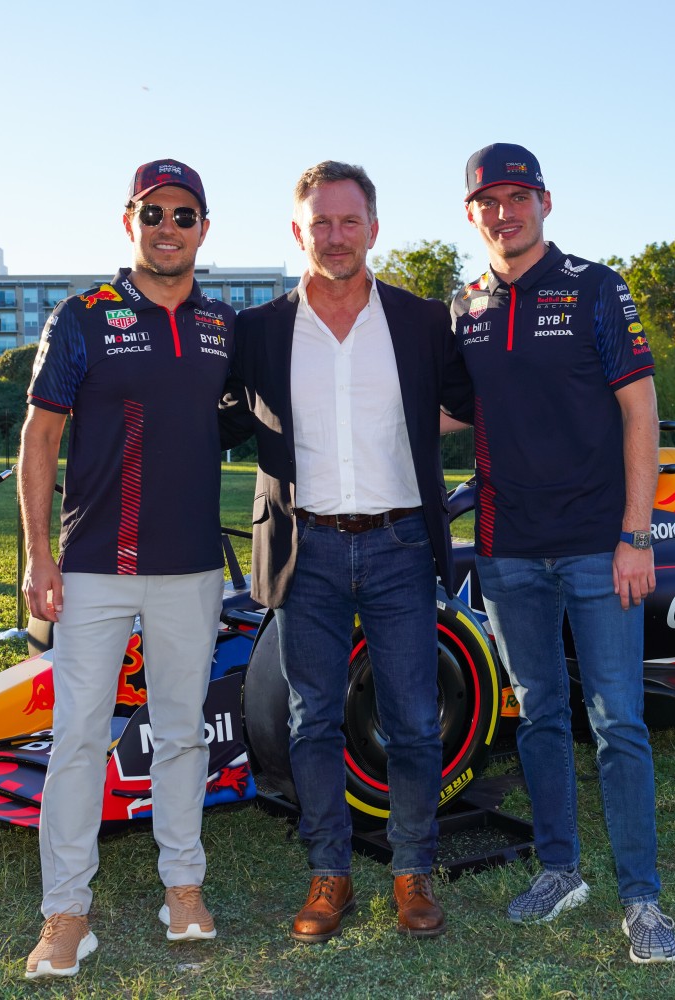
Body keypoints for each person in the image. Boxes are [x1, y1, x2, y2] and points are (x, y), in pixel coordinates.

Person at [221, 161, 472, 943]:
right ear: (298, 231)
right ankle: (329, 874)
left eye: (348, 221)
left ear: (373, 227)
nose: (334, 236)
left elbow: (470, 403)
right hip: (306, 548)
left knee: (412, 722)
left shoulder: (423, 320)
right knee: (313, 720)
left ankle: (410, 873)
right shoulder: (257, 331)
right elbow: (216, 419)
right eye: (319, 223)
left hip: (400, 543)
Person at [449, 143, 675, 964]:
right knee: (538, 716)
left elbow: (640, 411)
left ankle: (643, 899)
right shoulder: (466, 302)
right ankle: (559, 871)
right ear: (471, 212)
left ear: (545, 202)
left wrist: (635, 533)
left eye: (519, 197)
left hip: (598, 547)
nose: (504, 212)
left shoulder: (595, 286)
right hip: (507, 550)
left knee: (619, 722)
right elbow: (448, 413)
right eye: (489, 200)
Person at [17, 158, 235, 980]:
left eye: (184, 215)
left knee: (182, 733)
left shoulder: (223, 325)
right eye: (154, 213)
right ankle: (66, 912)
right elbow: (39, 439)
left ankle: (183, 887)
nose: (168, 228)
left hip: (190, 568)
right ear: (130, 222)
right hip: (95, 566)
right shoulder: (82, 315)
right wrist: (39, 556)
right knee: (77, 736)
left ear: (203, 228)